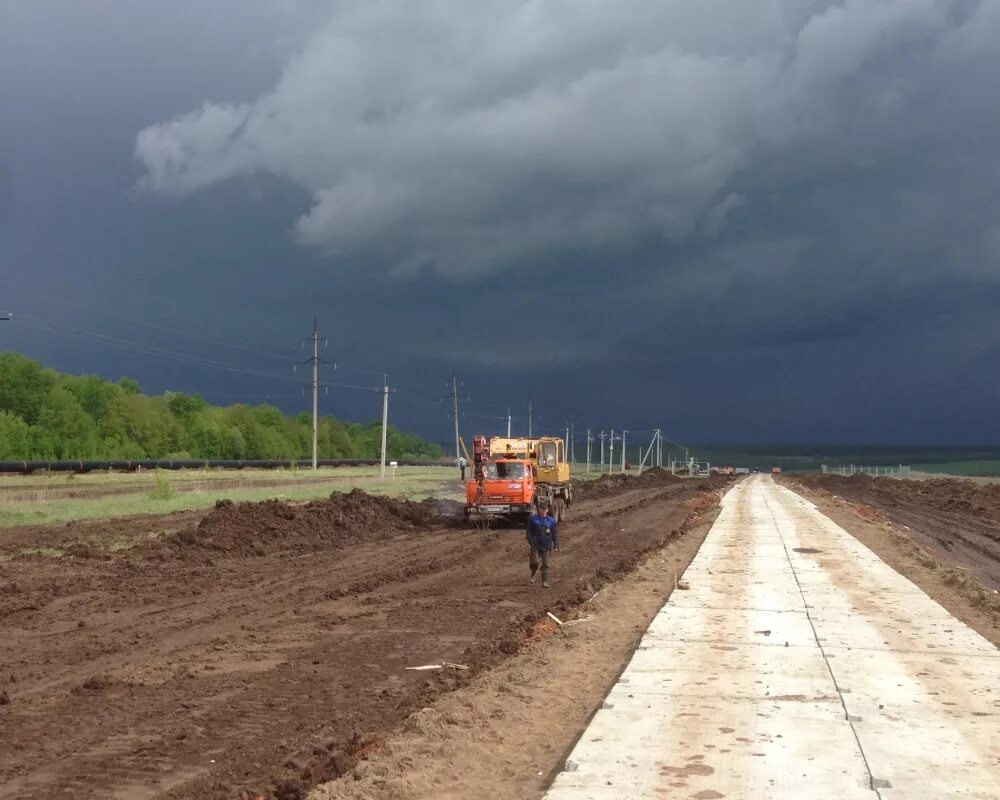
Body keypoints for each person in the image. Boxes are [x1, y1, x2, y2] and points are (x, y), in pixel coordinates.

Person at [525, 497, 559, 588]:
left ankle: (544, 581)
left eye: (545, 509)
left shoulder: (551, 521)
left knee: (546, 564)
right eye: (541, 508)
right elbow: (528, 531)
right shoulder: (533, 519)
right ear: (539, 509)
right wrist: (530, 541)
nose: (543, 510)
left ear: (547, 510)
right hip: (535, 544)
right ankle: (532, 574)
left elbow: (554, 533)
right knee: (534, 562)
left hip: (546, 545)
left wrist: (556, 544)